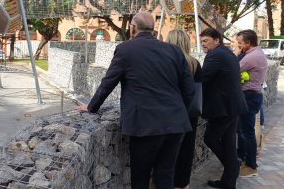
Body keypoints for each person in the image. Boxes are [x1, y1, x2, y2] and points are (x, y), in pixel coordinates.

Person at [78, 11, 195, 189]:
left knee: (140, 177)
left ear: (133, 28)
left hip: (145, 125)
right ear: (153, 29)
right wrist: (177, 113)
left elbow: (108, 82)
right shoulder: (174, 50)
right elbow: (189, 90)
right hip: (175, 124)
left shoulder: (126, 49)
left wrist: (92, 107)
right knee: (165, 176)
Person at [199, 28, 247, 189]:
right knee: (228, 144)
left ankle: (233, 167)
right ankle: (228, 182)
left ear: (217, 40)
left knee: (210, 139)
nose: (203, 44)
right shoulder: (226, 53)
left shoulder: (215, 55)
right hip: (233, 106)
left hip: (224, 108)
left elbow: (202, 78)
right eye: (202, 41)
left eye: (206, 40)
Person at [166, 29, 202, 189]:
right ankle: (183, 184)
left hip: (170, 112)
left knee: (167, 150)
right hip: (190, 113)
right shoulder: (194, 63)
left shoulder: (166, 62)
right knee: (186, 149)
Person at [235, 29, 268, 178]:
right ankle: (242, 158)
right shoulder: (256, 53)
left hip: (249, 97)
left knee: (247, 132)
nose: (238, 45)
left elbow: (232, 69)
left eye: (240, 43)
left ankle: (251, 166)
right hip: (251, 96)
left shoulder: (251, 57)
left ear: (248, 43)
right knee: (242, 130)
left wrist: (236, 53)